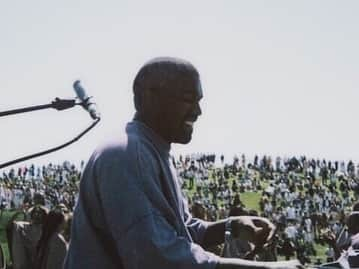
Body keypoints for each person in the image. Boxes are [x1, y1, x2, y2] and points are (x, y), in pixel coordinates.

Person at [64, 57, 301, 269]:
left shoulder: (152, 149)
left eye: (198, 100)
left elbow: (181, 229)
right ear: (148, 96)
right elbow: (156, 257)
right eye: (188, 99)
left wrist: (231, 226)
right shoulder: (128, 154)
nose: (198, 111)